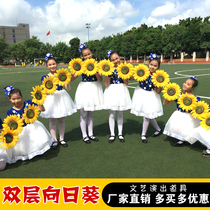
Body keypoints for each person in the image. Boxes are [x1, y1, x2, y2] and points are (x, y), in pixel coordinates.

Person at [0, 86, 53, 171]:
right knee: (24, 145)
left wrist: (40, 102)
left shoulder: (28, 103)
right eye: (14, 99)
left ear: (21, 97)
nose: (16, 101)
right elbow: (11, 127)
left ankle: (39, 151)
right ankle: (29, 153)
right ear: (10, 99)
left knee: (36, 139)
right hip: (21, 131)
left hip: (33, 126)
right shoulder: (10, 112)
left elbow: (42, 109)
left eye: (18, 98)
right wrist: (21, 120)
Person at [40, 53, 77, 149]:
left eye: (54, 64)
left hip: (61, 97)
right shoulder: (45, 78)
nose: (52, 66)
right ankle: (54, 140)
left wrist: (67, 81)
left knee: (61, 119)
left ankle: (61, 138)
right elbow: (45, 92)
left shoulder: (61, 75)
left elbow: (68, 88)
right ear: (47, 66)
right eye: (50, 65)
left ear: (57, 64)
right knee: (52, 120)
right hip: (51, 99)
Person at [71, 44, 103, 144]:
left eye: (89, 54)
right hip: (84, 89)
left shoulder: (97, 64)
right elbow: (72, 78)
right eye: (85, 55)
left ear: (91, 53)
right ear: (82, 56)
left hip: (94, 88)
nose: (87, 56)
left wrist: (95, 70)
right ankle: (84, 135)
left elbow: (101, 79)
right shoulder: (81, 65)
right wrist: (74, 70)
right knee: (83, 113)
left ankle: (91, 134)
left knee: (91, 113)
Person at [130, 53, 163, 143]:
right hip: (141, 94)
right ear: (148, 64)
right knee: (148, 115)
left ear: (158, 67)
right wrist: (132, 73)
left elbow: (158, 91)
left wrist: (160, 83)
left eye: (155, 66)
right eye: (151, 64)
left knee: (147, 116)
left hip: (151, 96)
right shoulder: (143, 71)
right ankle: (158, 129)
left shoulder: (158, 77)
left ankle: (143, 135)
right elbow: (132, 78)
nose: (152, 67)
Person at [163, 76, 200, 146]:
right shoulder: (178, 95)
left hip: (189, 117)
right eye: (185, 82)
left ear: (192, 88)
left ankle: (183, 139)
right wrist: (167, 95)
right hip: (178, 115)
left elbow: (197, 111)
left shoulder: (195, 98)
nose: (185, 84)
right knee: (178, 128)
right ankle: (181, 139)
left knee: (187, 129)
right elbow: (165, 103)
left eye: (188, 84)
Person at [104, 50, 131, 143]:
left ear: (119, 57)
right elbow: (106, 84)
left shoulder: (124, 67)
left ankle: (120, 133)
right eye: (113, 60)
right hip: (111, 90)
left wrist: (124, 74)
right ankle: (112, 134)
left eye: (116, 58)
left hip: (121, 90)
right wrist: (108, 74)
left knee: (120, 113)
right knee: (111, 113)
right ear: (110, 61)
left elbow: (126, 83)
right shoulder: (109, 69)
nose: (116, 61)